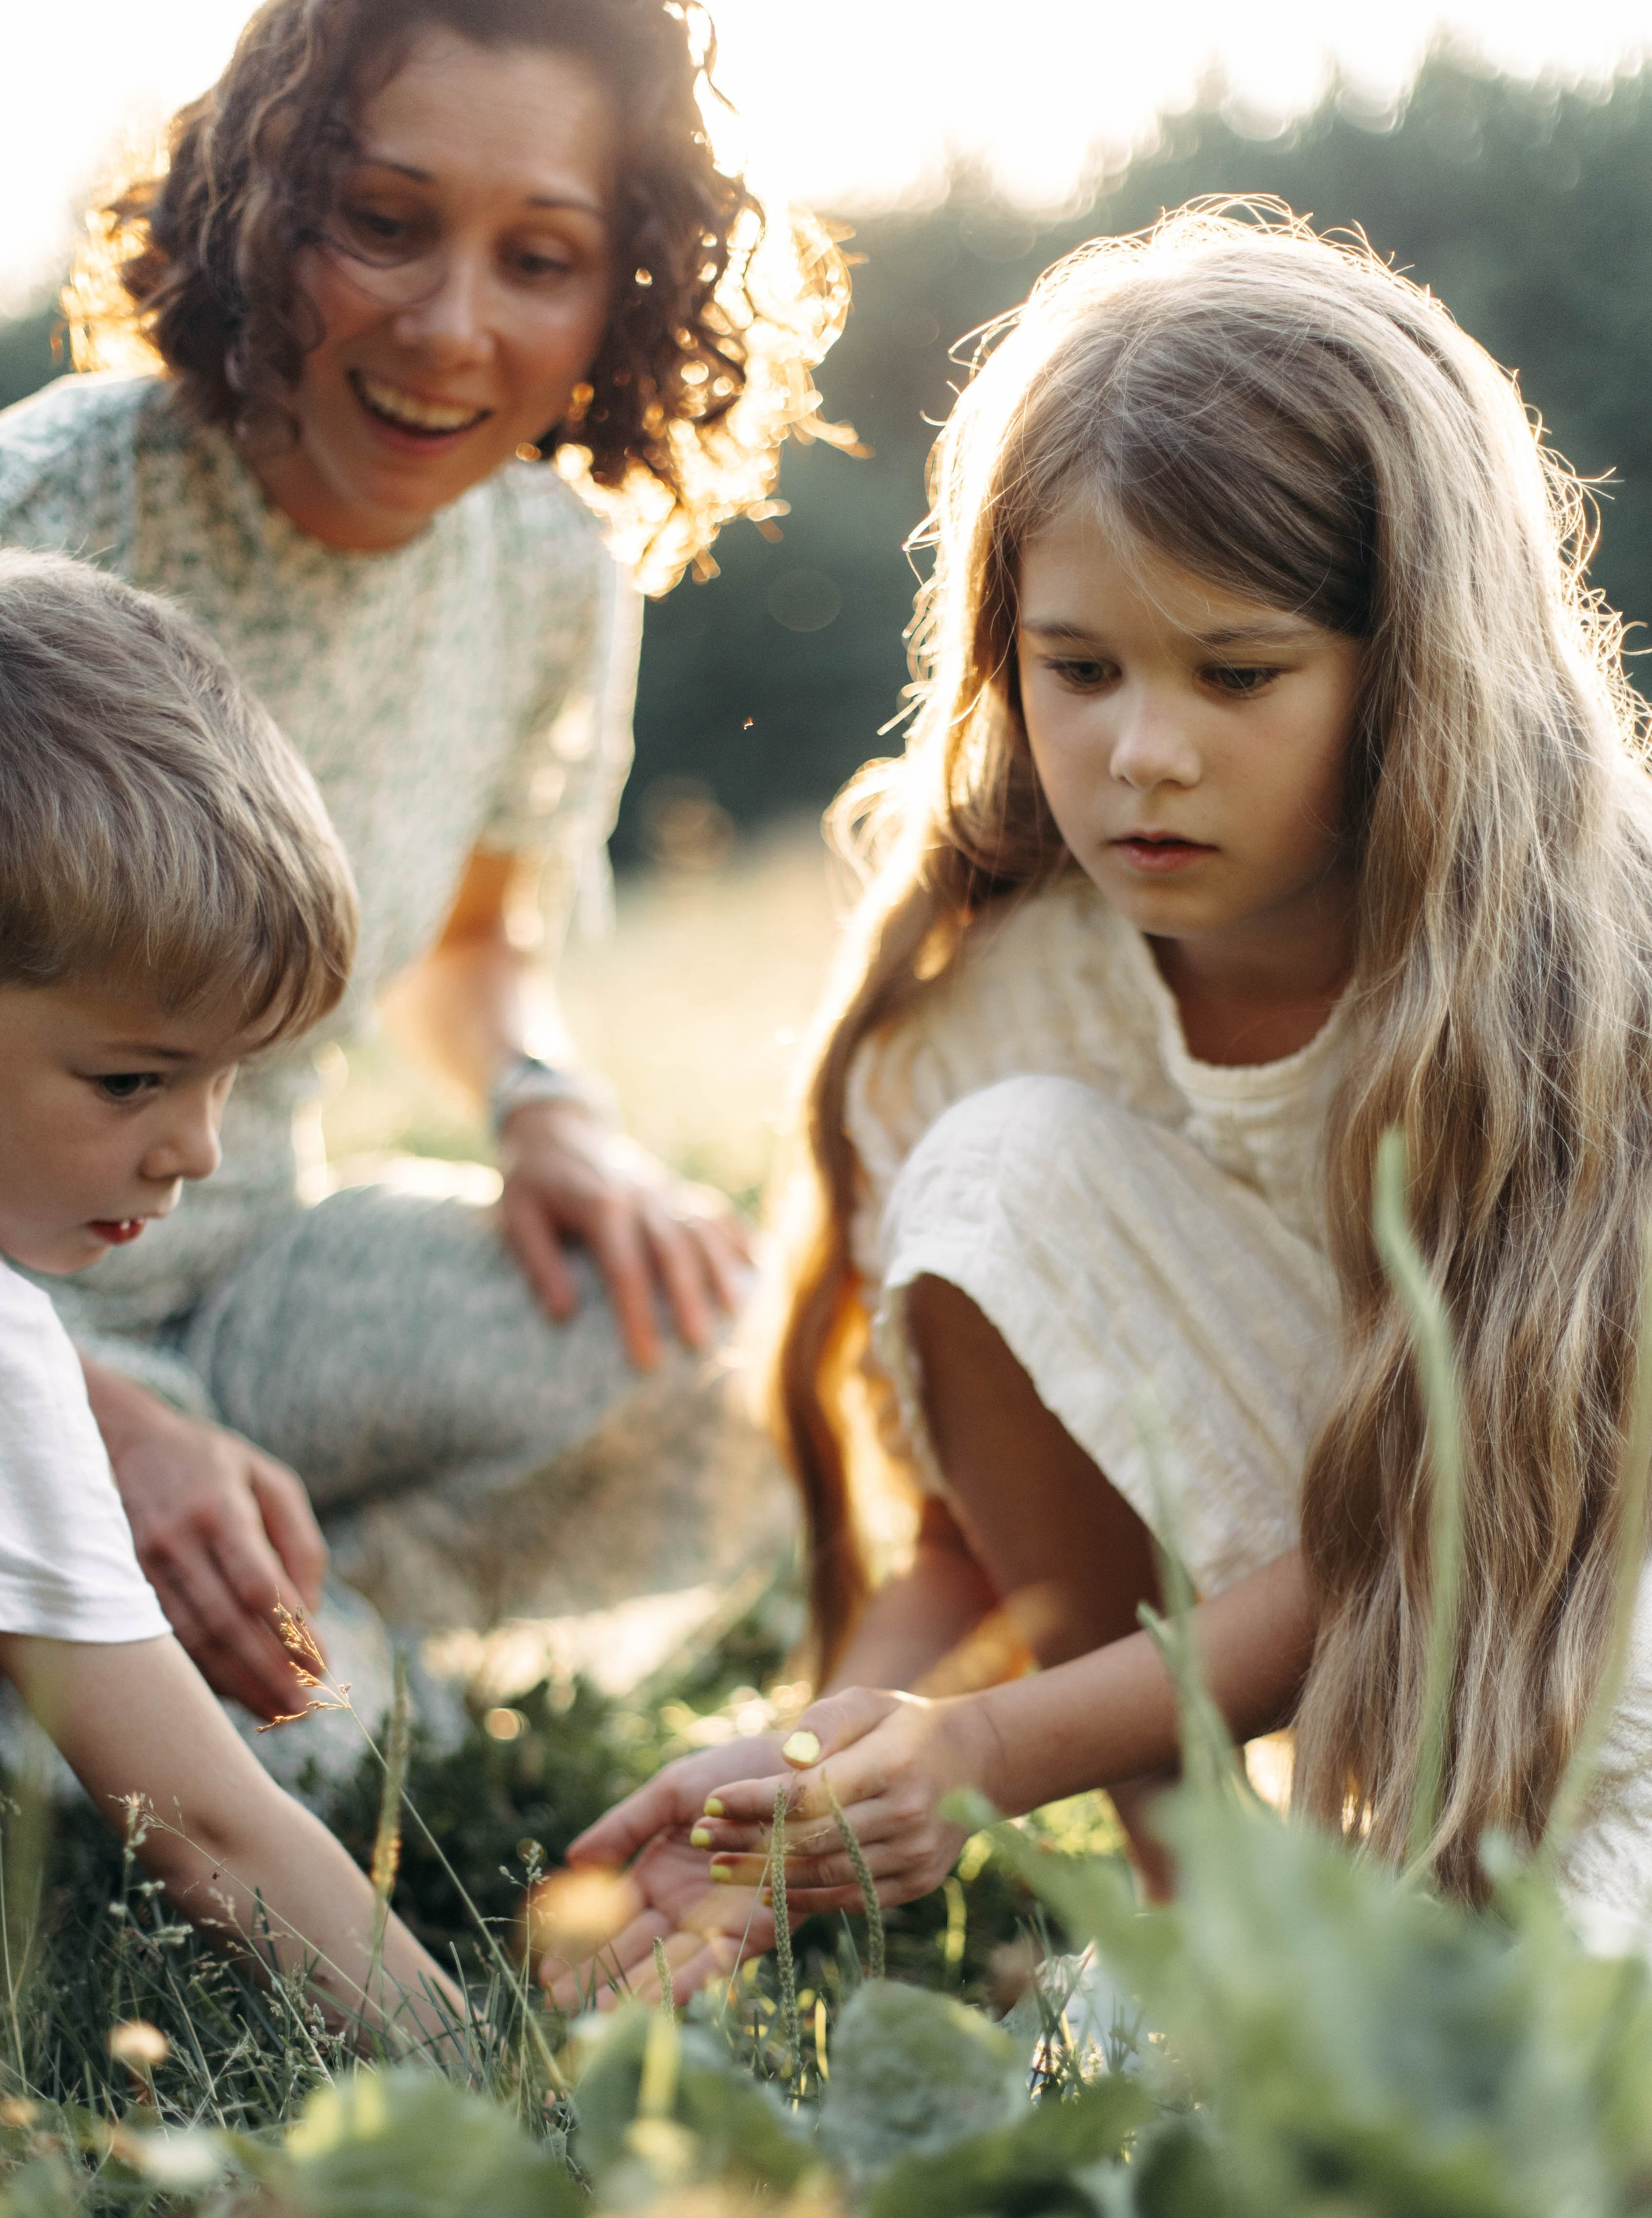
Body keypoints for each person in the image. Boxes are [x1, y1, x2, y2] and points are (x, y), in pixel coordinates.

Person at [555, 202, 1652, 2003]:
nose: (1145, 749)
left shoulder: (1581, 973)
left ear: (1417, 672)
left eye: (1237, 674)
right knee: (998, 1169)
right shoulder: (1006, 997)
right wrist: (827, 1772)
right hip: (1395, 1690)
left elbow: (1452, 1518)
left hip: (1588, 1623)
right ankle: (1207, 1922)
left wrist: (992, 1753)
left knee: (1555, 2055)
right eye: (1081, 668)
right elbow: (992, 1526)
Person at [0, 0, 842, 1729]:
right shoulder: (18, 523)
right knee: (272, 1777)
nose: (451, 326)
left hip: (253, 1280)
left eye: (540, 256)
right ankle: (153, 1663)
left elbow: (479, 938)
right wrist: (79, 1416)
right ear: (265, 207)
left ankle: (321, 1638)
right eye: (386, 224)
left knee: (730, 1350)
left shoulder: (550, 567)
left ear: (620, 291)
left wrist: (545, 1104)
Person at [0, 551, 459, 2042]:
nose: (196, 1147)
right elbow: (211, 1837)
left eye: (227, 1079)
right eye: (131, 1079)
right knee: (292, 1749)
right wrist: (505, 2089)